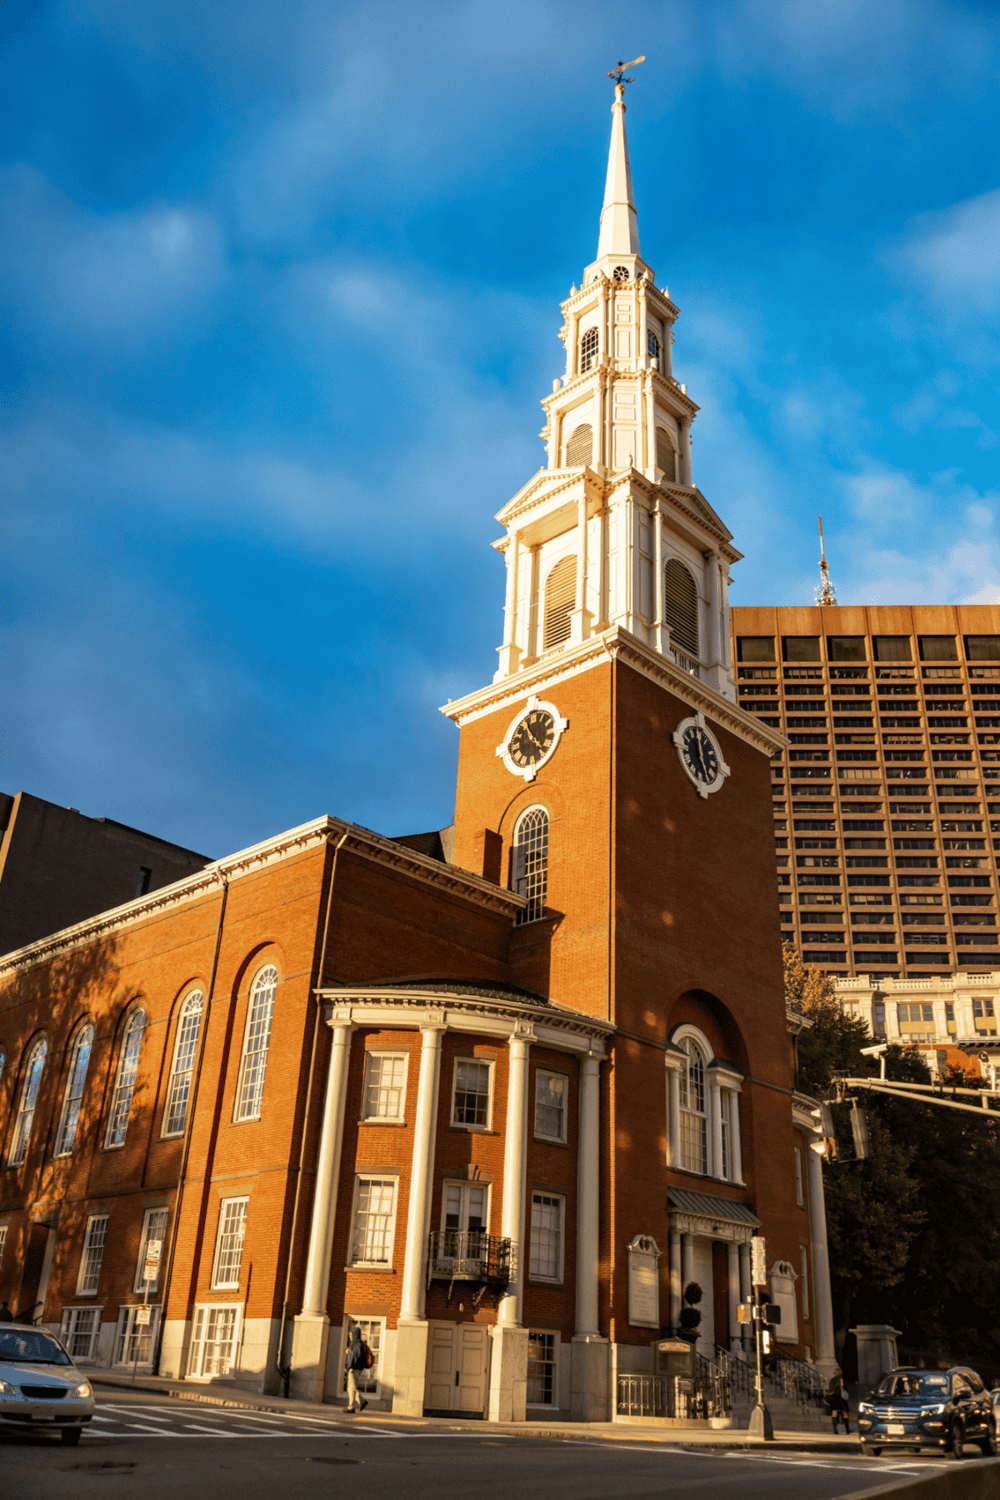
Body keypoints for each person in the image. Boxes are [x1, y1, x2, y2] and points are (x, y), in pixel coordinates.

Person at [344, 1327, 369, 1413]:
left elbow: (353, 1358)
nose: (350, 1336)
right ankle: (361, 1401)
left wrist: (348, 1367)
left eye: (351, 1335)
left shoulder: (355, 1344)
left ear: (354, 1335)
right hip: (359, 1368)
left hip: (353, 1368)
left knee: (351, 1388)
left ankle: (351, 1407)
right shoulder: (360, 1343)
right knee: (352, 1386)